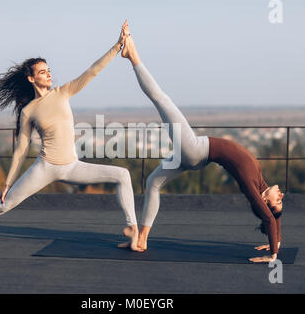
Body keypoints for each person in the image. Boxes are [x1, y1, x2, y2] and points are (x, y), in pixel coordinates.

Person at [0, 21, 143, 252]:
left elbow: (92, 71)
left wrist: (118, 44)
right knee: (3, 204)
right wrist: (7, 184)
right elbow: (21, 149)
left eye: (49, 70)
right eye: (42, 71)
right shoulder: (28, 111)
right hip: (45, 168)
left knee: (122, 174)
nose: (48, 74)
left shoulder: (63, 93)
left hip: (72, 166)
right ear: (32, 79)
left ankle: (132, 229)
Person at [119, 23, 284, 262]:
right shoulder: (261, 182)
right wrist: (276, 239)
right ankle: (142, 239)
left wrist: (273, 254)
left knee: (162, 99)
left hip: (195, 149)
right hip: (197, 158)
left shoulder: (252, 184)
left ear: (265, 201)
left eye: (277, 201)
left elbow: (268, 217)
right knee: (153, 181)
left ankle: (132, 54)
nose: (281, 195)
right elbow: (274, 218)